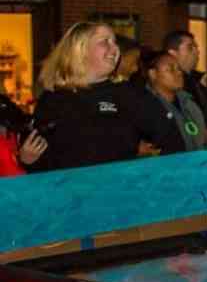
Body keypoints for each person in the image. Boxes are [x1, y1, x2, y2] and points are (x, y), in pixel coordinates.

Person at [27, 22, 163, 171]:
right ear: (80, 50)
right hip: (71, 191)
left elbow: (167, 133)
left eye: (114, 42)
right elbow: (40, 160)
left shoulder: (127, 93)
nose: (115, 49)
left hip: (119, 189)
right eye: (105, 41)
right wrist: (27, 160)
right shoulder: (54, 99)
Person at [138, 50, 207, 155]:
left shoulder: (189, 102)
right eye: (171, 69)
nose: (179, 73)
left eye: (178, 68)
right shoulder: (143, 107)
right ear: (153, 74)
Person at [163, 31, 207, 147]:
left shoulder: (196, 81)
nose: (197, 51)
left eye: (196, 47)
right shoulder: (172, 85)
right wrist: (203, 132)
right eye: (190, 48)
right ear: (173, 53)